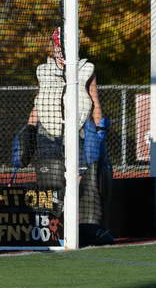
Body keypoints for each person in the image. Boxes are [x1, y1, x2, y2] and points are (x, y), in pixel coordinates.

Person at [12, 27, 113, 246]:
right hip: (49, 132)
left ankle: (86, 228)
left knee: (83, 180)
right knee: (52, 182)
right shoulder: (43, 70)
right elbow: (41, 100)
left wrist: (99, 129)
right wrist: (29, 127)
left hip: (78, 131)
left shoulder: (86, 68)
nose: (60, 50)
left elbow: (94, 100)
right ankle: (52, 228)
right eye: (57, 45)